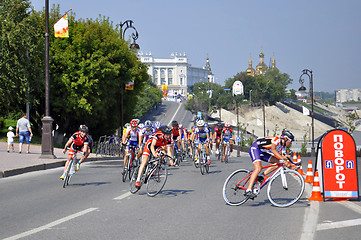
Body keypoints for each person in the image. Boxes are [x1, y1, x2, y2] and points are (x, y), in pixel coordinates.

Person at [245, 129, 295, 198]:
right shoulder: (277, 139)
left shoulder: (283, 147)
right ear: (286, 139)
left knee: (278, 163)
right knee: (258, 168)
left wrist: (292, 166)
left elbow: (283, 159)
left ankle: (261, 176)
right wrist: (282, 158)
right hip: (255, 148)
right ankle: (248, 190)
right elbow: (273, 150)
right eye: (291, 141)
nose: (291, 143)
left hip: (263, 152)